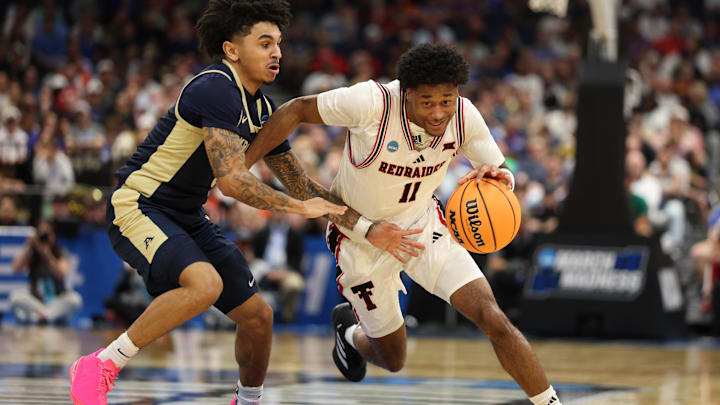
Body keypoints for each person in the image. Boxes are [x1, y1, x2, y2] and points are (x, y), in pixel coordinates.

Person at [245, 43, 563, 405]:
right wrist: (242, 163)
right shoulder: (370, 103)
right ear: (405, 93)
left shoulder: (463, 115)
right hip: (358, 239)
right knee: (393, 359)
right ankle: (350, 335)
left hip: (422, 227)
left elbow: (503, 171)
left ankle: (550, 403)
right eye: (428, 102)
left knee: (494, 319)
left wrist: (501, 179)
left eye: (447, 99)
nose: (440, 111)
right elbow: (296, 109)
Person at [67, 2, 348, 405]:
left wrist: (365, 222)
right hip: (140, 203)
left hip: (186, 215)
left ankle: (247, 401)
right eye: (265, 43)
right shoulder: (215, 86)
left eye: (279, 44)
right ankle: (101, 363)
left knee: (259, 317)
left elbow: (300, 182)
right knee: (205, 284)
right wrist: (299, 208)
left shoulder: (262, 108)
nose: (277, 53)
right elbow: (231, 181)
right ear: (232, 50)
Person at [10, 219, 82, 324]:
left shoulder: (60, 253)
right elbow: (15, 268)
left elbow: (61, 274)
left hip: (57, 300)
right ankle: (48, 316)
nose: (44, 237)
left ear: (53, 236)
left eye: (47, 234)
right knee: (15, 297)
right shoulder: (32, 253)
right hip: (36, 301)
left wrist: (46, 254)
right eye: (41, 234)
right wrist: (29, 245)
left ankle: (43, 317)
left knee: (75, 299)